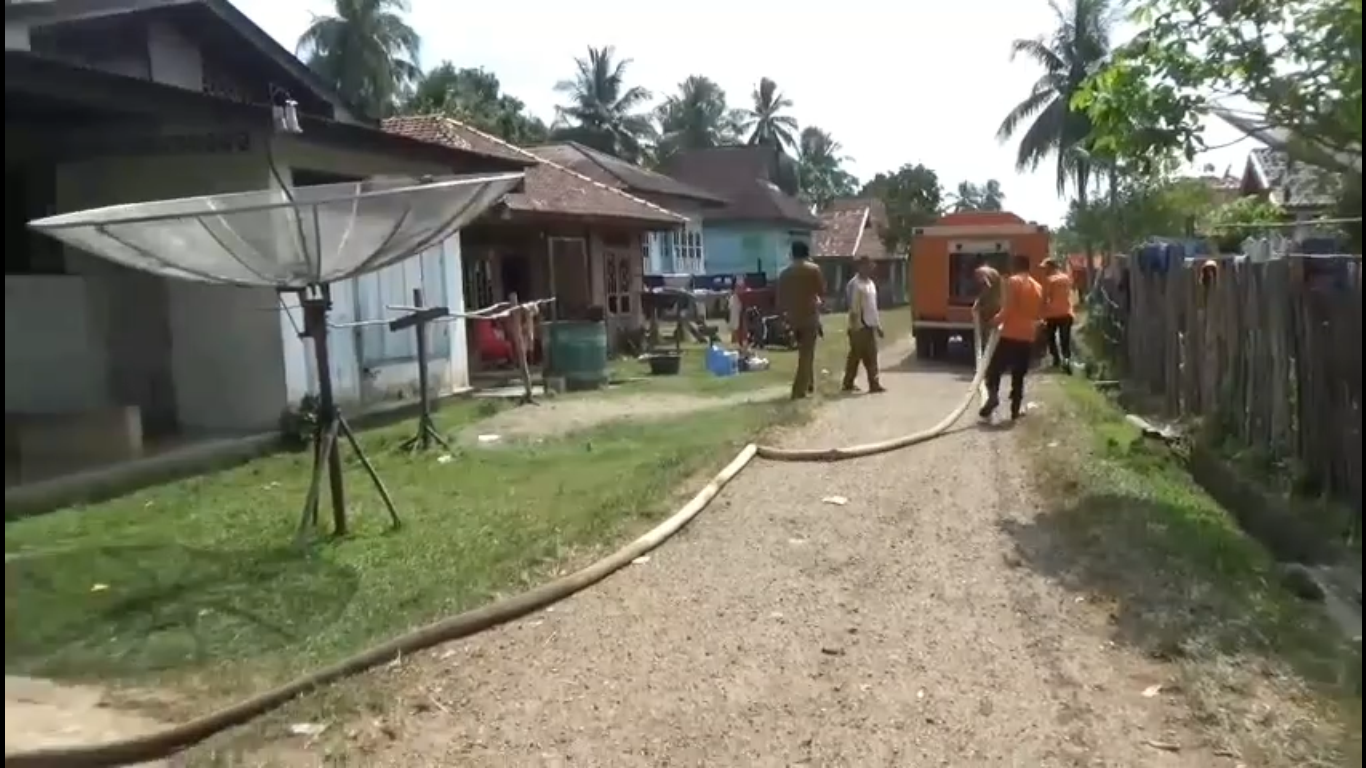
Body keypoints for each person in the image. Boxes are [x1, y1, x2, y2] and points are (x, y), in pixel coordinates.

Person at [979, 254, 1043, 421]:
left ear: (1015, 265)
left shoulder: (1011, 282)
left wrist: (994, 321)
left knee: (994, 369)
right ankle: (1015, 409)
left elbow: (1007, 309)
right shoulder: (1038, 287)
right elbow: (1036, 314)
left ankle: (993, 396)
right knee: (1019, 374)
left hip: (1010, 334)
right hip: (1028, 336)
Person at [776, 240, 827, 400]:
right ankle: (798, 390)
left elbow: (780, 299)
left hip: (793, 318)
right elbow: (821, 291)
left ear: (792, 253)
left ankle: (809, 384)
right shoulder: (813, 270)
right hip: (810, 316)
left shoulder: (785, 273)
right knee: (807, 354)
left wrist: (783, 317)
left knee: (804, 352)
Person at [842, 256, 886, 393]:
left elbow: (873, 307)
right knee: (856, 356)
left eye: (870, 266)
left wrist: (878, 325)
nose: (868, 269)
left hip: (870, 325)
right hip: (859, 326)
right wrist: (855, 326)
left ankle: (874, 383)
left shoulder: (871, 284)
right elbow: (853, 307)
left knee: (871, 356)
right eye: (865, 266)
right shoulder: (854, 284)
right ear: (860, 267)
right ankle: (848, 382)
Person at [1042, 260, 1075, 371]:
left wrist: (1042, 313)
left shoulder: (1049, 280)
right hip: (1066, 312)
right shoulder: (1066, 278)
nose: (1044, 270)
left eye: (1045, 268)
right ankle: (1066, 360)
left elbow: (1044, 298)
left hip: (1053, 314)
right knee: (1065, 338)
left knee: (1050, 337)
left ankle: (1056, 359)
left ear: (1051, 267)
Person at [971, 256, 1004, 360]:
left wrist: (979, 301)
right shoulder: (995, 272)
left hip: (987, 305)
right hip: (997, 303)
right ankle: (994, 354)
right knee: (994, 331)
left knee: (985, 331)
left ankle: (987, 357)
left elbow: (986, 285)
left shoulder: (979, 272)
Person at [727, 276, 747, 352]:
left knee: (741, 327)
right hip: (736, 303)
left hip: (741, 303)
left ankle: (741, 345)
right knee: (735, 326)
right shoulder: (733, 298)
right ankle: (736, 345)